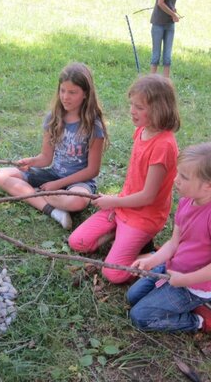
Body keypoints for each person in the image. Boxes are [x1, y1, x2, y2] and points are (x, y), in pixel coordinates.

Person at [68, 74, 180, 284]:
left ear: (159, 109)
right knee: (78, 241)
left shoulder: (164, 146)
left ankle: (154, 258)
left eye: (139, 107)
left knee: (114, 273)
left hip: (144, 216)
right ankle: (118, 235)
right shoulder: (142, 130)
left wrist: (113, 202)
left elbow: (148, 196)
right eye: (132, 104)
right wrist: (117, 201)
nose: (132, 110)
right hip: (124, 206)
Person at [127, 142, 211, 335]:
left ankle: (201, 320)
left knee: (141, 316)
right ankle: (171, 297)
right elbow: (174, 243)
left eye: (184, 177)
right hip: (173, 270)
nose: (176, 180)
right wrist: (151, 261)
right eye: (178, 173)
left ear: (209, 186)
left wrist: (185, 279)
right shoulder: (187, 201)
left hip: (193, 286)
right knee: (132, 296)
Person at [0, 62, 108, 230]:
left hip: (79, 183)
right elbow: (46, 158)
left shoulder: (93, 126)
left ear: (85, 94)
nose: (65, 97)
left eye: (72, 92)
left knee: (77, 200)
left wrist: (57, 184)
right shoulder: (54, 118)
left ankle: (33, 193)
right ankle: (54, 211)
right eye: (62, 90)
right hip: (53, 175)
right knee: (1, 175)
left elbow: (92, 170)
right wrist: (31, 162)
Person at [150, 0, 187, 78]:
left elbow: (168, 2)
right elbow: (160, 3)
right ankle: (152, 80)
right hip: (158, 23)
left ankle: (166, 81)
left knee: (167, 56)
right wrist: (173, 14)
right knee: (156, 56)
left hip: (169, 24)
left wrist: (172, 9)